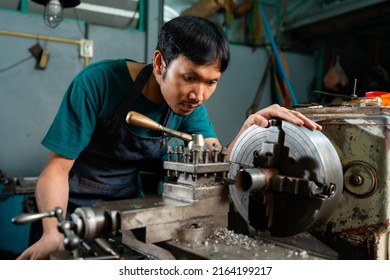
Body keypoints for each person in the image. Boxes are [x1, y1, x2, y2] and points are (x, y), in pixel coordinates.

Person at [17, 15, 321, 260]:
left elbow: (217, 162)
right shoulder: (97, 83)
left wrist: (248, 130)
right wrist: (52, 231)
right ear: (161, 63)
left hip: (128, 210)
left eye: (211, 82)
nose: (198, 95)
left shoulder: (188, 105)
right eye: (189, 78)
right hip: (70, 209)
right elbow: (56, 169)